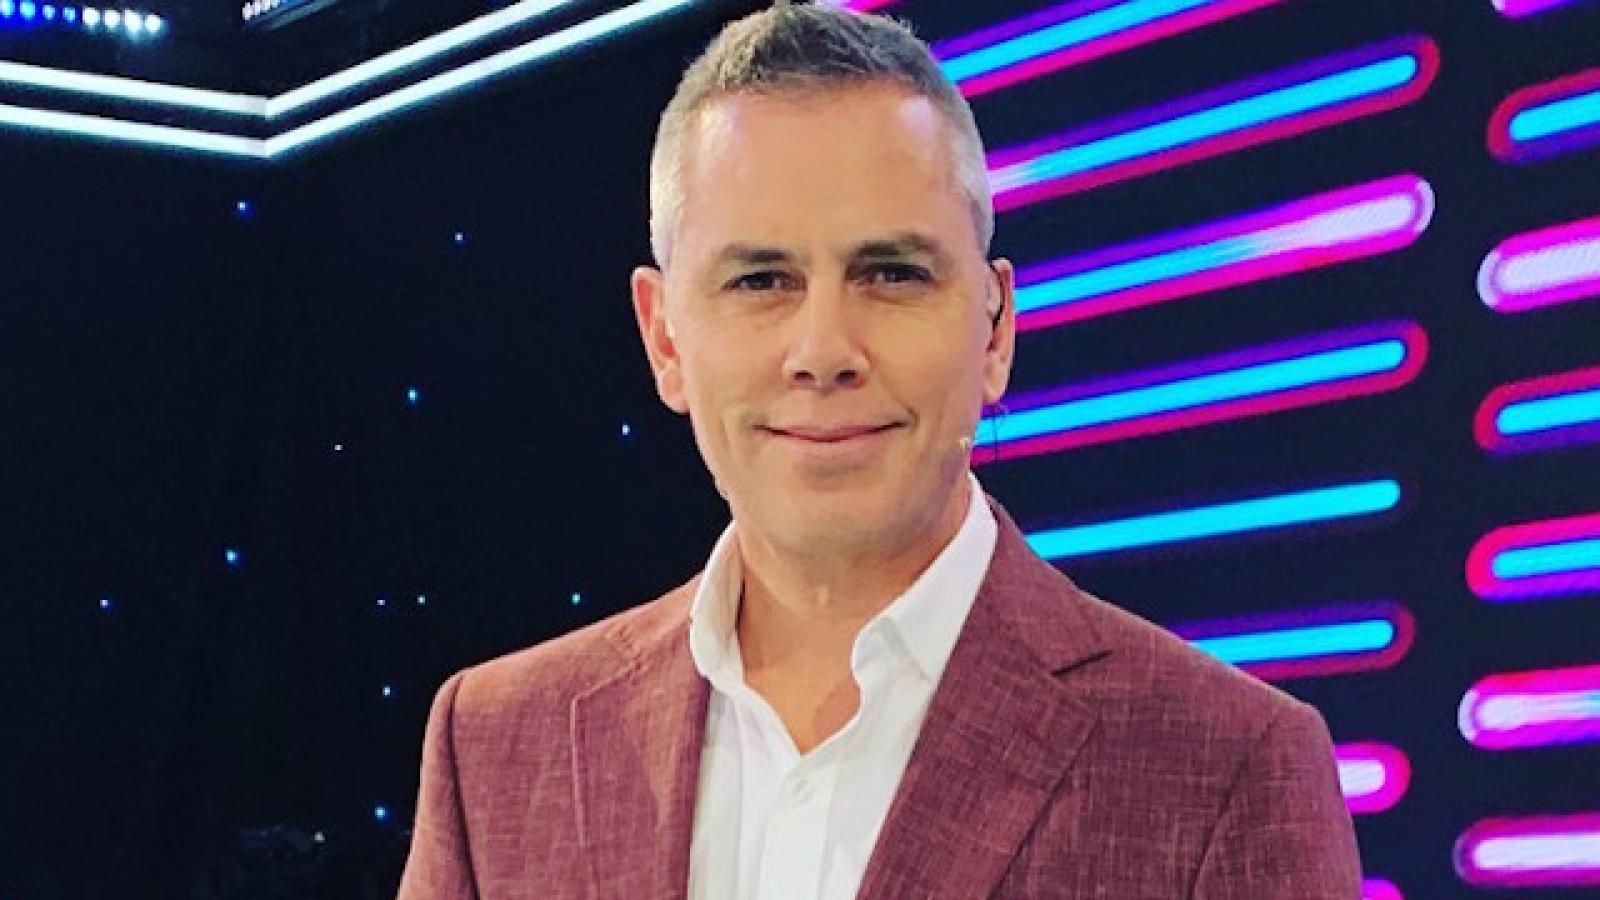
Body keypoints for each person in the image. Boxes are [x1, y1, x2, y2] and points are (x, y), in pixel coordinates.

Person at [396, 3, 1363, 897]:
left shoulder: (1228, 768)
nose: (823, 351)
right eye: (760, 280)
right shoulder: (494, 748)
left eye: (892, 273)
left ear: (995, 329)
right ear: (665, 339)